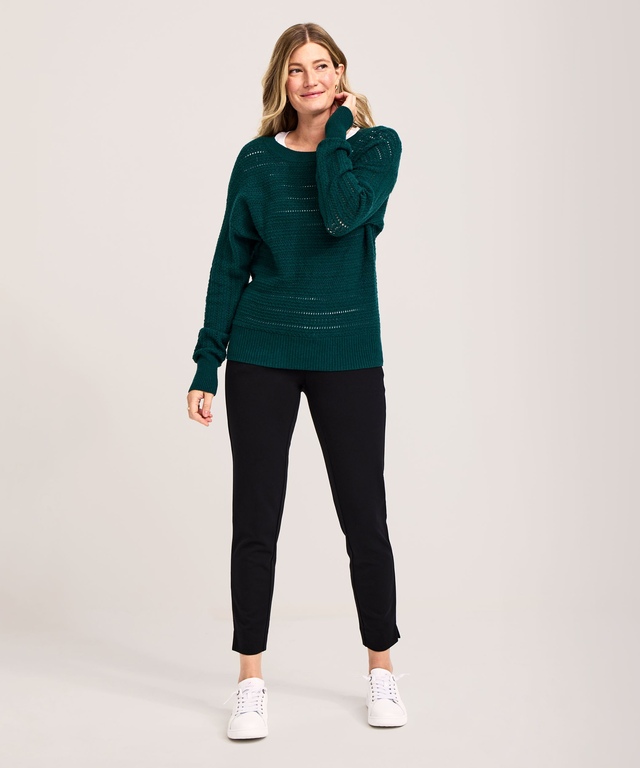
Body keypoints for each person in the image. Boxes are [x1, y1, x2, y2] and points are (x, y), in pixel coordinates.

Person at [186, 22, 407, 739]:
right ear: (281, 81)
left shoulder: (374, 147)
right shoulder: (256, 161)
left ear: (340, 72)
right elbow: (230, 262)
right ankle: (249, 682)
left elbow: (342, 215)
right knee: (255, 520)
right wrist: (207, 362)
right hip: (262, 353)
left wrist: (336, 130)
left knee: (364, 518)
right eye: (295, 68)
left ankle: (381, 671)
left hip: (347, 354)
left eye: (321, 66)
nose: (309, 79)